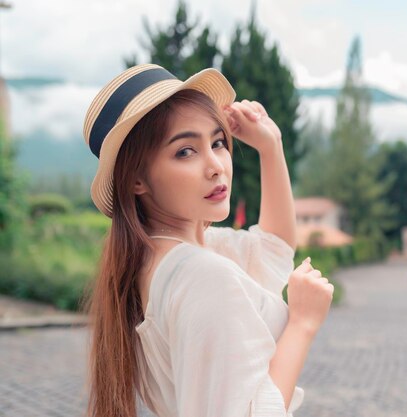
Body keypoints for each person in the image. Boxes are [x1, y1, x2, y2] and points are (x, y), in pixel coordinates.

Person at [81, 64, 334, 417]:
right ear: (136, 179)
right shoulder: (201, 274)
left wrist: (270, 147)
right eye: (185, 151)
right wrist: (302, 324)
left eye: (217, 142)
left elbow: (272, 249)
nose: (216, 165)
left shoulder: (160, 258)